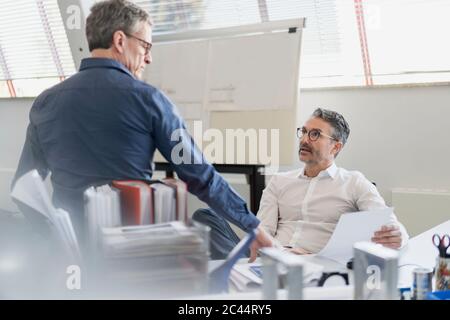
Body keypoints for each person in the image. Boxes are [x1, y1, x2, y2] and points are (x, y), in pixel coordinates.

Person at [12, 0, 272, 253]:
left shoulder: (46, 102)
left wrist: (52, 238)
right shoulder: (150, 100)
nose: (148, 58)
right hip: (134, 254)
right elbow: (199, 175)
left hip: (69, 255)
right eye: (145, 46)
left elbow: (23, 187)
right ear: (120, 41)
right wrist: (252, 226)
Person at [193, 108, 409, 261]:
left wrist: (397, 235)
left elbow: (392, 227)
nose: (305, 139)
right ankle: (240, 268)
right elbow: (263, 230)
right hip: (270, 258)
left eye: (315, 134)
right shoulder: (280, 181)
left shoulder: (353, 182)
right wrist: (273, 251)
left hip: (314, 264)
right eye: (304, 131)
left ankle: (236, 272)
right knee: (204, 216)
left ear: (335, 147)